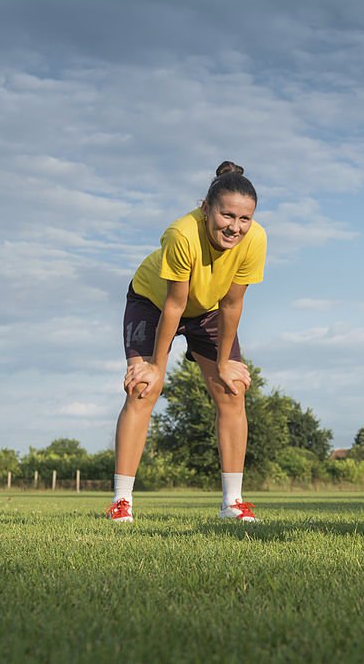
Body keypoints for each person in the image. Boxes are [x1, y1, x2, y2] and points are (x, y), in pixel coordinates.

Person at [105, 160, 267, 523]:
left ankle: (233, 503)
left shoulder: (255, 239)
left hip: (208, 308)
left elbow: (232, 303)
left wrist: (224, 363)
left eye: (245, 219)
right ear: (205, 208)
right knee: (143, 389)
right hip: (153, 302)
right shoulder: (182, 234)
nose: (235, 227)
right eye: (227, 215)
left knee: (233, 388)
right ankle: (122, 502)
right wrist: (154, 368)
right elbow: (174, 305)